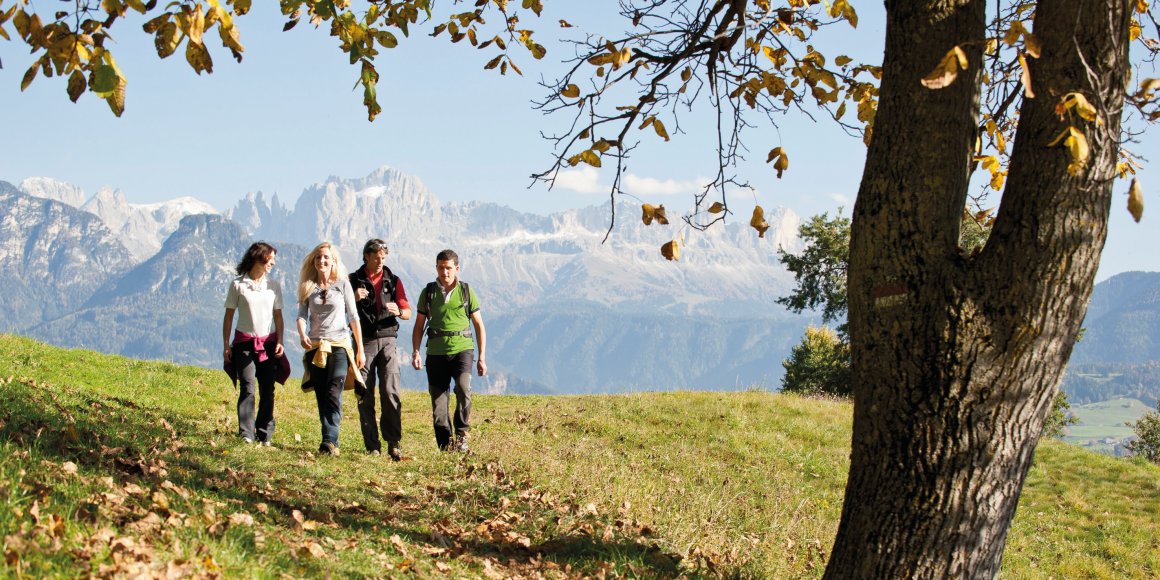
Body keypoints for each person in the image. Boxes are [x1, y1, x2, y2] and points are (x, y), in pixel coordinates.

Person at [411, 249, 486, 452]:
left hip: (463, 349)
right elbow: (419, 325)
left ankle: (462, 434)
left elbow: (478, 324)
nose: (445, 272)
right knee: (438, 403)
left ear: (457, 268)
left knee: (463, 389)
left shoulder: (466, 291)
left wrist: (482, 357)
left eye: (449, 268)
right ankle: (445, 447)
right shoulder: (428, 292)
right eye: (441, 268)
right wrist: (416, 352)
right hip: (435, 353)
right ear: (436, 267)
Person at [296, 242, 365, 456]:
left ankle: (330, 440)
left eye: (326, 257)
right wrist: (302, 334)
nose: (322, 261)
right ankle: (328, 437)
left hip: (340, 346)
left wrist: (360, 349)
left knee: (334, 391)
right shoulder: (308, 287)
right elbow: (301, 316)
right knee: (322, 395)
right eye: (318, 257)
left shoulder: (343, 285)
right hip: (316, 347)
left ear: (333, 261)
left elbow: (353, 317)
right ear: (314, 261)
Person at [349, 238, 412, 460]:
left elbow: (407, 312)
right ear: (366, 255)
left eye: (383, 258)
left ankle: (393, 443)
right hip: (363, 341)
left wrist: (398, 311)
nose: (380, 261)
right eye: (376, 257)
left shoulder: (393, 280)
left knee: (390, 391)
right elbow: (343, 313)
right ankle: (372, 446)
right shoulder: (352, 281)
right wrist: (354, 299)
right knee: (364, 393)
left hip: (388, 340)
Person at [222, 242, 287, 446]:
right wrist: (226, 344)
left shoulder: (273, 286)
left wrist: (280, 340)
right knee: (248, 386)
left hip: (267, 344)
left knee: (267, 388)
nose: (273, 263)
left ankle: (264, 432)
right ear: (259, 258)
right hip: (244, 343)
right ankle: (246, 433)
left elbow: (278, 316)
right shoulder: (238, 285)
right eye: (270, 259)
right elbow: (229, 316)